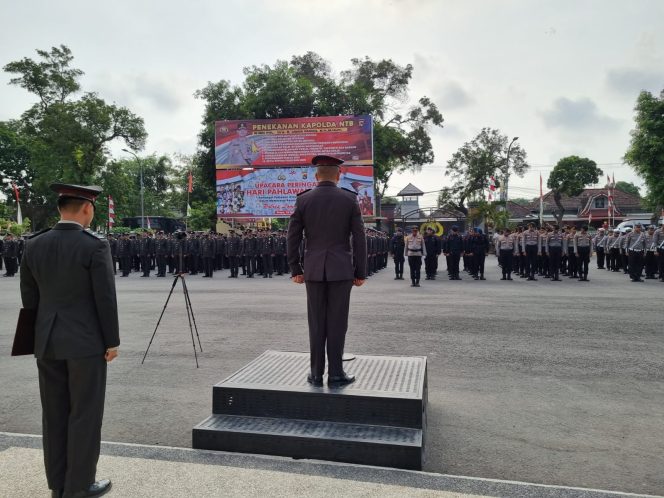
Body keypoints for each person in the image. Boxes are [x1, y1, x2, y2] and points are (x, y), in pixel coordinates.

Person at [19, 183, 119, 498]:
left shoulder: (34, 244)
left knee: (54, 413)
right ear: (87, 208)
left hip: (46, 341)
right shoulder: (94, 245)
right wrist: (111, 341)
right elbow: (105, 298)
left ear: (61, 208)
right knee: (85, 413)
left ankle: (58, 483)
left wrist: (34, 338)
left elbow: (29, 297)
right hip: (86, 343)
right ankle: (80, 484)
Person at [287, 155, 367, 388]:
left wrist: (295, 268)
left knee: (316, 323)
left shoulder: (303, 200)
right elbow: (360, 238)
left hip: (312, 271)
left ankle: (315, 374)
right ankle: (336, 374)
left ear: (316, 175)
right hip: (341, 270)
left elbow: (292, 237)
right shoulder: (349, 199)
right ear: (338, 175)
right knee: (337, 323)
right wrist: (360, 272)